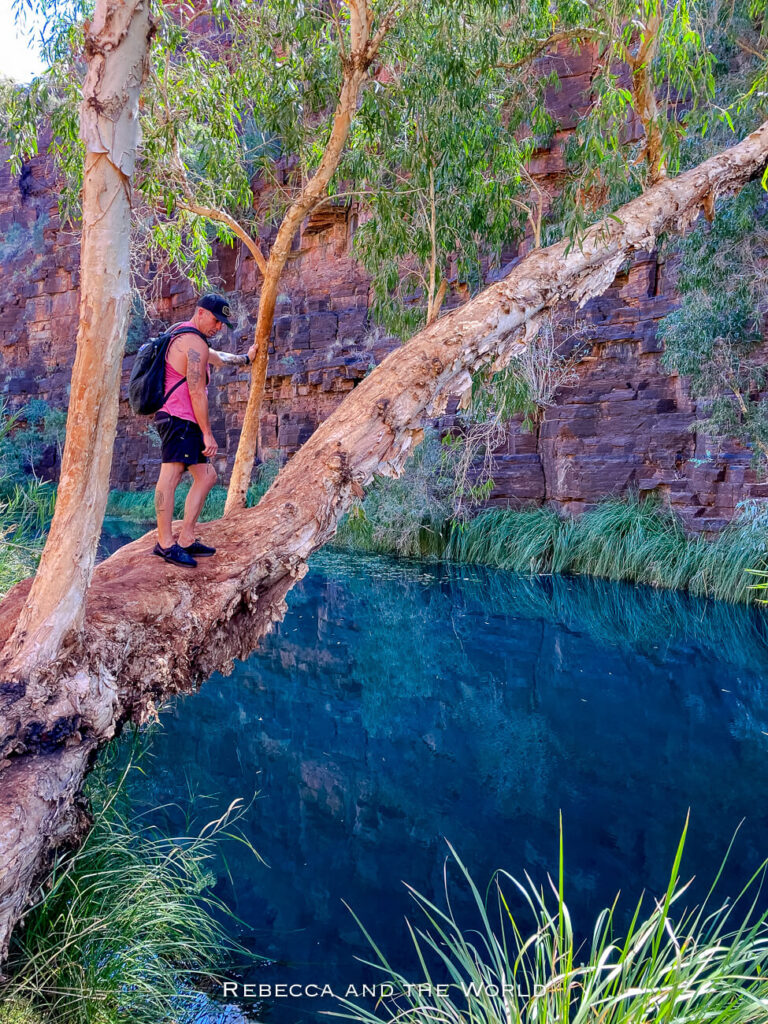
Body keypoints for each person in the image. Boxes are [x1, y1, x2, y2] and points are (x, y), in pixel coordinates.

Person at [153, 293, 257, 567]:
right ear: (200, 313)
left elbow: (218, 358)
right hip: (178, 419)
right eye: (216, 319)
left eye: (223, 323)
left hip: (185, 421)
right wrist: (208, 433)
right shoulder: (192, 341)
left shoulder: (186, 336)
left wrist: (245, 360)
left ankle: (186, 538)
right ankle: (165, 544)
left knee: (207, 475)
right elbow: (196, 391)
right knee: (171, 475)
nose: (219, 326)